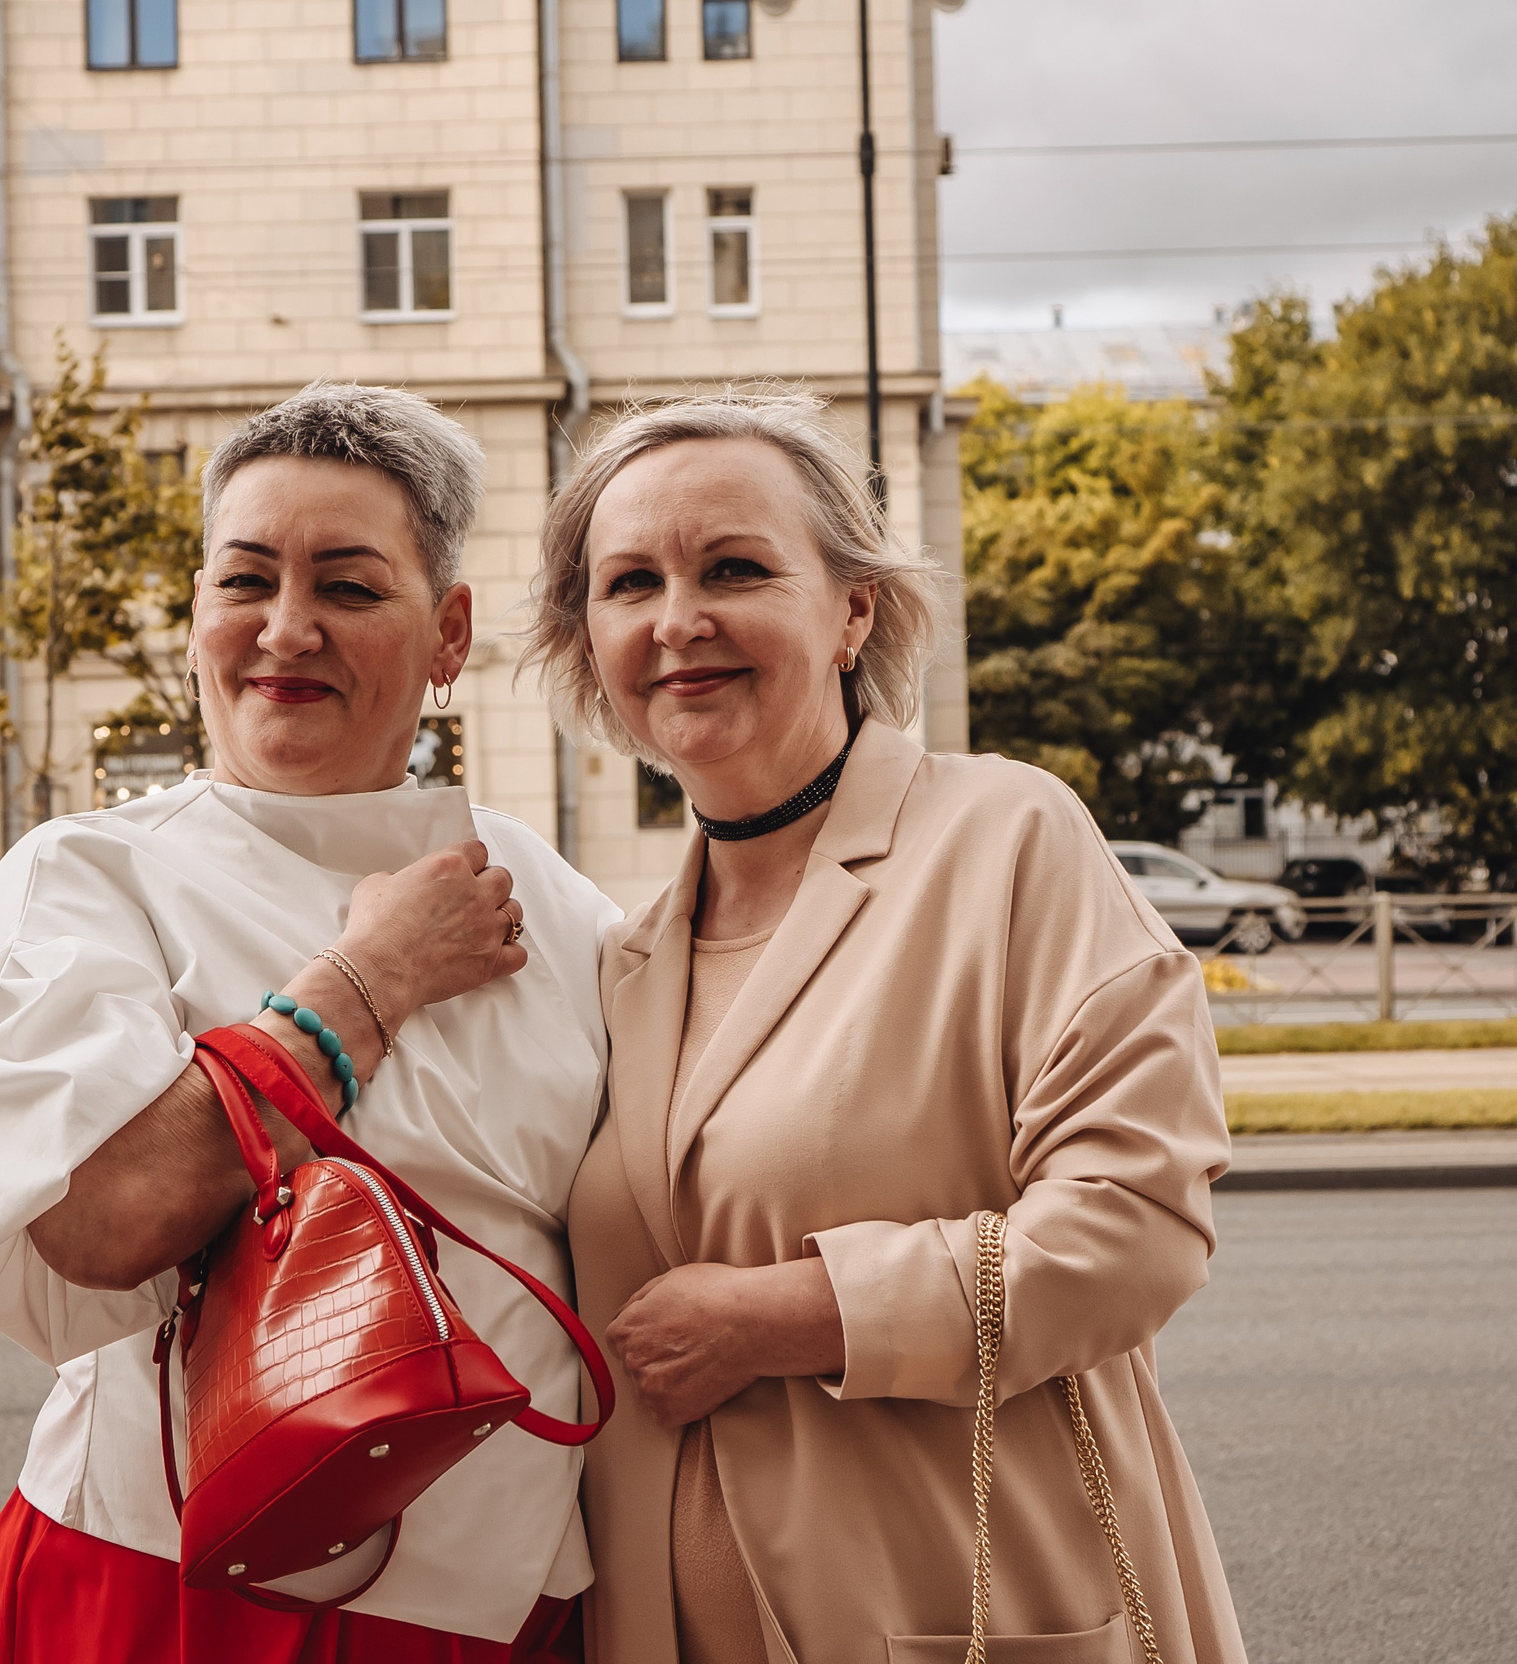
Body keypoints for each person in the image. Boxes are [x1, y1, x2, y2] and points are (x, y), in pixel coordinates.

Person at [526, 397, 1247, 1663]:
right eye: (628, 583)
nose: (677, 619)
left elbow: (1135, 1229)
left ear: (852, 606)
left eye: (734, 568)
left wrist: (782, 1315)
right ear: (589, 639)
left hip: (975, 1611)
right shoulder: (623, 959)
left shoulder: (1006, 838)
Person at [0, 384, 619, 1664]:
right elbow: (98, 1218)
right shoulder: (89, 875)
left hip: (504, 1609)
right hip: (178, 1589)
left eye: (349, 588)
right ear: (195, 620)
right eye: (245, 582)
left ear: (449, 635)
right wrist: (368, 981)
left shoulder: (553, 898)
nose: (285, 631)